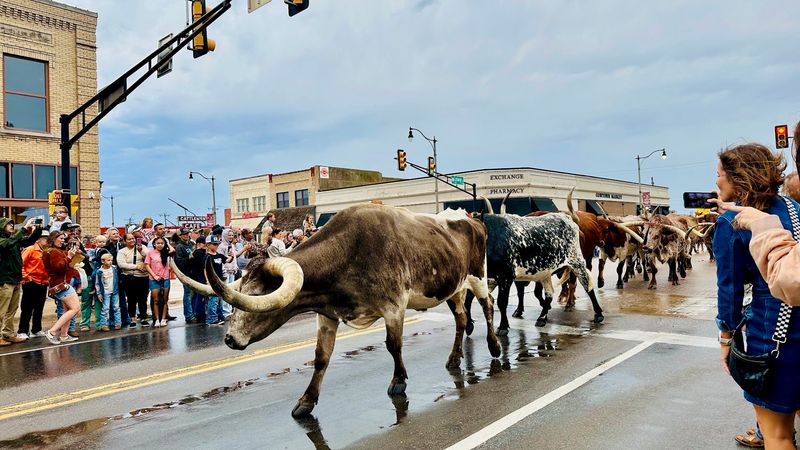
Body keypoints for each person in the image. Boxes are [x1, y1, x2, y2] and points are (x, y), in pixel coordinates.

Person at [713, 143, 800, 450]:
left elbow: (730, 290)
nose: (717, 182)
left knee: (777, 434)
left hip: (774, 331)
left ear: (738, 178)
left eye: (720, 175)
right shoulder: (794, 208)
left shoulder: (730, 223)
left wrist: (726, 338)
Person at [0, 217, 43, 346]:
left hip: (15, 279)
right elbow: (8, 243)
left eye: (12, 224)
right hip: (4, 280)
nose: (12, 226)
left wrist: (37, 230)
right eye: (9, 224)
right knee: (1, 310)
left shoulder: (13, 239)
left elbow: (29, 241)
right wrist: (24, 228)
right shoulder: (3, 240)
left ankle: (7, 334)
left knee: (12, 309)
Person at [42, 231, 81, 345]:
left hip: (57, 284)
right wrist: (69, 257)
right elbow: (58, 267)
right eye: (61, 238)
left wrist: (69, 255)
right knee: (75, 308)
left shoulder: (50, 251)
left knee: (68, 310)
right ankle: (52, 332)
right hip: (61, 284)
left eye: (64, 238)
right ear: (53, 239)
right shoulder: (53, 251)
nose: (63, 240)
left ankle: (64, 335)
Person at [18, 229, 50, 340]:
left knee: (39, 307)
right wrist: (26, 277)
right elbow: (21, 264)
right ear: (38, 239)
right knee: (27, 308)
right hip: (31, 282)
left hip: (43, 282)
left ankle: (36, 329)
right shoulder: (31, 249)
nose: (47, 240)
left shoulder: (45, 251)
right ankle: (22, 330)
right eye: (45, 238)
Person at [117, 233, 150, 327]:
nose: (132, 241)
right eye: (129, 239)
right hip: (130, 277)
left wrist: (141, 251)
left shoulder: (141, 247)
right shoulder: (122, 251)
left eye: (133, 239)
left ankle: (143, 318)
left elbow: (149, 258)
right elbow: (121, 264)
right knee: (131, 298)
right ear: (124, 241)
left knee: (143, 298)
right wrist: (137, 266)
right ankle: (132, 319)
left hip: (143, 277)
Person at [145, 236, 173, 327]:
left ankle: (164, 318)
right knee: (156, 300)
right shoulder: (150, 253)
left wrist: (167, 243)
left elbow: (172, 250)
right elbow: (147, 265)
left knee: (165, 299)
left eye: (162, 243)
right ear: (154, 244)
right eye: (158, 243)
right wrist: (154, 275)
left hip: (165, 278)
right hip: (154, 279)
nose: (160, 245)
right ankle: (157, 319)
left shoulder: (166, 253)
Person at [93, 253, 121, 331]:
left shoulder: (114, 268)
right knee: (105, 308)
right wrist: (99, 294)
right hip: (105, 292)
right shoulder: (100, 271)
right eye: (108, 260)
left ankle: (118, 323)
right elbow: (97, 283)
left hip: (114, 291)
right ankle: (104, 324)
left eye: (111, 260)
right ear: (103, 261)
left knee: (116, 307)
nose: (110, 262)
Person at [174, 228, 196, 323]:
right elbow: (179, 262)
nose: (186, 235)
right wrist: (189, 257)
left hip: (194, 272)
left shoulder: (192, 244)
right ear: (180, 236)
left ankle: (194, 313)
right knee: (187, 294)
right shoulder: (179, 246)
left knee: (194, 294)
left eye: (187, 233)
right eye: (184, 234)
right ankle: (188, 315)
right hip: (186, 273)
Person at [203, 235, 225, 326]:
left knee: (219, 300)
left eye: (217, 244)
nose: (216, 246)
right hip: (212, 282)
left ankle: (219, 317)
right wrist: (208, 281)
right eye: (214, 244)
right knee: (213, 300)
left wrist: (234, 255)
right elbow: (205, 269)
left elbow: (228, 260)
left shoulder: (219, 255)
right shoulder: (207, 256)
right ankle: (211, 319)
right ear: (208, 245)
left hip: (220, 281)